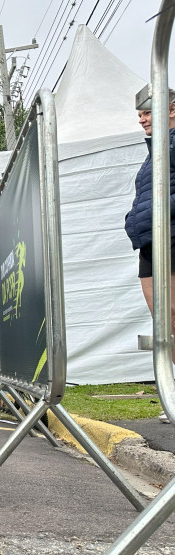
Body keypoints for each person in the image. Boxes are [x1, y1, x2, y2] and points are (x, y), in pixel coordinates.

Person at [125, 89, 175, 425]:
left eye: (147, 112)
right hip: (148, 240)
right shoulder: (152, 152)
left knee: (172, 315)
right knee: (163, 323)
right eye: (140, 114)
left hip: (169, 233)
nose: (141, 119)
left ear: (171, 108)